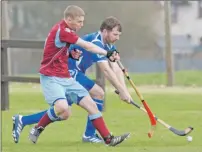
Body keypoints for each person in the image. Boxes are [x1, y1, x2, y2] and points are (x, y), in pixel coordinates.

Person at [12, 5, 131, 147]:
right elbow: (87, 46)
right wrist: (106, 54)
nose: (82, 25)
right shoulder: (63, 31)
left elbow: (64, 49)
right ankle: (36, 126)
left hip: (66, 76)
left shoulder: (68, 31)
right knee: (63, 108)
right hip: (51, 76)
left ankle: (108, 139)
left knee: (86, 106)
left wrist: (124, 90)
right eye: (79, 21)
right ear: (69, 19)